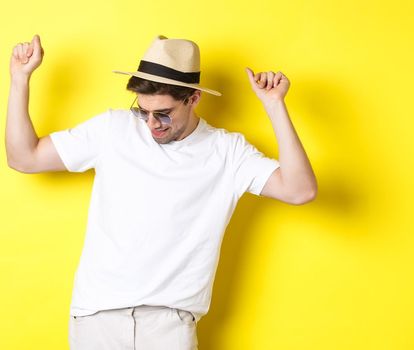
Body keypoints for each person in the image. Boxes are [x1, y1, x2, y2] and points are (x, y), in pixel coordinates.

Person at [6, 34, 317, 349]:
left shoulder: (227, 151)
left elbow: (300, 190)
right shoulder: (113, 129)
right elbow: (23, 157)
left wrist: (275, 106)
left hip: (169, 325)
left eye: (164, 113)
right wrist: (20, 78)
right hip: (96, 318)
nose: (152, 123)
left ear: (193, 98)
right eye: (143, 111)